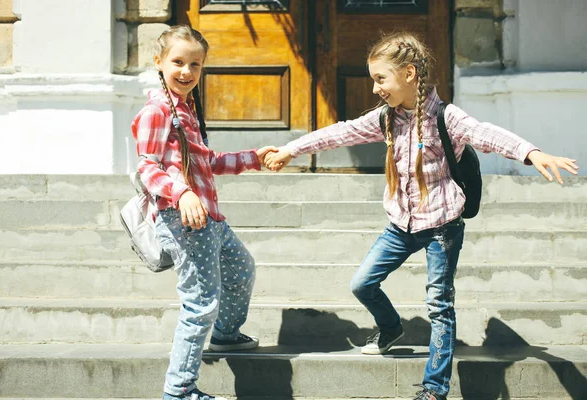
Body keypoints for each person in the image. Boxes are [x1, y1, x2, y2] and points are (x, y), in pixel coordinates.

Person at [264, 32, 578, 400]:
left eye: (381, 78)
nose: (376, 88)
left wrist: (531, 153)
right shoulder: (386, 118)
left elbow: (485, 134)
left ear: (409, 73)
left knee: (439, 305)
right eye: (373, 80)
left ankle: (434, 388)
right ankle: (390, 327)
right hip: (401, 224)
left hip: (442, 226)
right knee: (362, 283)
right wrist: (291, 149)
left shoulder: (445, 117)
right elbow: (341, 133)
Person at [132, 25, 277, 400]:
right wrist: (181, 194)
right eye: (178, 62)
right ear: (159, 62)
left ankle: (227, 334)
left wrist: (253, 159)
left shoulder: (187, 109)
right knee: (199, 303)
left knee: (242, 269)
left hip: (209, 217)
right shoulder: (157, 110)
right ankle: (179, 390)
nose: (186, 71)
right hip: (181, 218)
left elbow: (206, 161)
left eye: (195, 64)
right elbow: (147, 167)